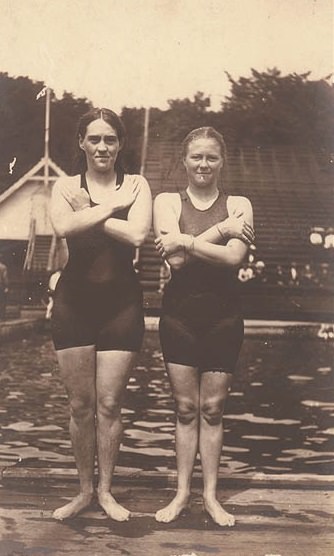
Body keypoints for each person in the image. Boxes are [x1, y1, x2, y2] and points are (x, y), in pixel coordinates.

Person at [50, 108, 152, 521]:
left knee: (110, 403)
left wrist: (90, 209)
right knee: (80, 405)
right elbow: (61, 228)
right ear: (82, 143)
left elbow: (138, 234)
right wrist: (111, 208)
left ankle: (106, 492)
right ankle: (83, 491)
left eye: (110, 139)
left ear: (120, 144)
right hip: (74, 303)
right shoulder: (64, 185)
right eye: (94, 139)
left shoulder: (137, 184)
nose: (102, 147)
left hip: (121, 305)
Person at [153, 127, 254, 527]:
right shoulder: (166, 201)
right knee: (185, 407)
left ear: (222, 161)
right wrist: (218, 232)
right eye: (197, 157)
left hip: (224, 317)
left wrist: (188, 241)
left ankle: (211, 496)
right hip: (179, 316)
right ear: (184, 160)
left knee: (212, 409)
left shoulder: (240, 202)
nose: (204, 165)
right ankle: (181, 494)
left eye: (211, 157)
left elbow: (233, 259)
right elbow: (174, 263)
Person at [0, 255, 9, 320]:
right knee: (2, 301)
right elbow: (5, 278)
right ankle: (2, 316)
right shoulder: (3, 267)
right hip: (0, 286)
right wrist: (6, 286)